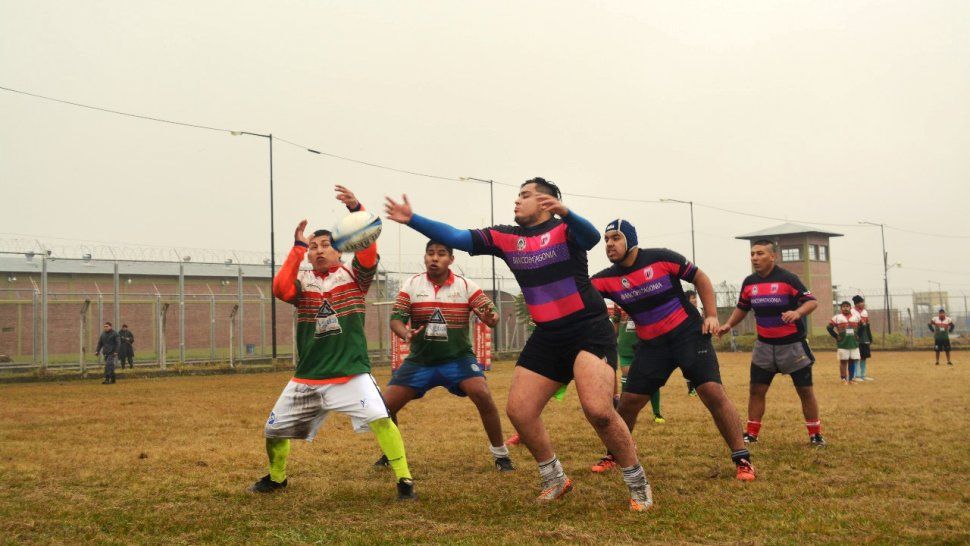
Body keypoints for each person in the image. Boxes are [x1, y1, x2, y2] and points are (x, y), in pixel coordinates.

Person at [385, 177, 653, 511]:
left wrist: (566, 213)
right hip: (548, 335)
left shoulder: (565, 229)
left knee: (599, 411)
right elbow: (455, 236)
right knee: (520, 411)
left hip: (588, 329)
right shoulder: (505, 237)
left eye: (524, 195)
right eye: (517, 195)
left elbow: (591, 237)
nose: (516, 201)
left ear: (545, 202)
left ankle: (637, 482)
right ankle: (555, 478)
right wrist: (413, 220)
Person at [249, 185, 416, 501]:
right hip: (307, 378)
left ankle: (405, 481)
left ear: (340, 251)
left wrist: (356, 211)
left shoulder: (355, 278)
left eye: (325, 244)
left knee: (381, 419)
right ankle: (277, 478)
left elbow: (366, 250)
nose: (319, 249)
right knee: (273, 432)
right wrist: (296, 248)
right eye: (313, 246)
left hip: (351, 374)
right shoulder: (304, 283)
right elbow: (280, 289)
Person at [590, 220, 754, 481]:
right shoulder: (606, 279)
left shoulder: (661, 258)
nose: (609, 243)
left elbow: (700, 277)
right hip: (652, 346)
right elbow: (580, 294)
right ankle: (615, 452)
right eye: (606, 239)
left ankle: (742, 458)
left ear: (630, 240)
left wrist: (711, 315)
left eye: (616, 237)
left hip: (688, 336)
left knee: (711, 391)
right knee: (629, 403)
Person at [372, 240, 514, 472]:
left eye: (441, 254)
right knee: (384, 408)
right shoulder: (412, 284)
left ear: (451, 259)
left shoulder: (465, 285)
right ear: (425, 258)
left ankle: (501, 455)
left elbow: (492, 315)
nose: (434, 258)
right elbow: (396, 319)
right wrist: (405, 332)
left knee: (483, 394)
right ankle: (391, 453)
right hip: (420, 361)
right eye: (430, 254)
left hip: (458, 359)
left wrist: (491, 318)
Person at [716, 239, 826, 447]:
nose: (755, 258)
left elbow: (812, 301)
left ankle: (815, 434)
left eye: (760, 254)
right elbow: (742, 307)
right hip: (764, 347)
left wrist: (797, 312)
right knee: (756, 390)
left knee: (805, 390)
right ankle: (751, 434)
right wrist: (728, 324)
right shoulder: (749, 283)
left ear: (772, 257)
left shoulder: (788, 279)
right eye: (752, 254)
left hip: (793, 346)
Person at [611, 304, 664, 424]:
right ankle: (622, 411)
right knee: (627, 378)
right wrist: (616, 321)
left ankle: (657, 413)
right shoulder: (618, 302)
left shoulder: (643, 299)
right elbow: (615, 329)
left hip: (644, 346)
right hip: (625, 347)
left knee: (652, 380)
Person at [827, 301, 861, 384]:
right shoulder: (837, 317)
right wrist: (836, 336)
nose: (845, 308)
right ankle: (843, 379)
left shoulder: (856, 317)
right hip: (843, 343)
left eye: (847, 306)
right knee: (843, 361)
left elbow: (863, 326)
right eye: (843, 306)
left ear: (850, 307)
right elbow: (829, 327)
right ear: (841, 308)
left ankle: (851, 379)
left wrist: (858, 335)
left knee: (852, 360)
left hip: (853, 343)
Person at [853, 296, 873, 380]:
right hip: (856, 337)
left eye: (863, 302)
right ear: (856, 303)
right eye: (861, 302)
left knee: (864, 356)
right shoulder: (852, 311)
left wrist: (869, 336)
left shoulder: (865, 312)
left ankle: (863, 375)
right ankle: (856, 375)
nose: (863, 304)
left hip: (865, 338)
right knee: (857, 356)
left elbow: (867, 325)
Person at [684, 290, 699, 397]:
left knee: (699, 365)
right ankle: (691, 389)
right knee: (689, 366)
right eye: (692, 298)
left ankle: (698, 387)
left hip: (698, 341)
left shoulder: (699, 310)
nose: (695, 300)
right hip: (687, 341)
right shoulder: (684, 311)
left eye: (695, 298)